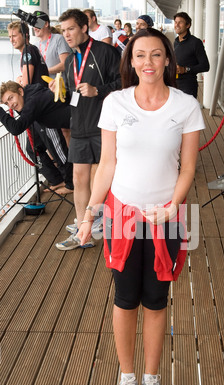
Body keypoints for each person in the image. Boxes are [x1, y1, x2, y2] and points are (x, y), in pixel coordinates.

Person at [78, 28, 205, 385]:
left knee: (156, 299)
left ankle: (151, 380)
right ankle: (127, 379)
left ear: (168, 60)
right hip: (121, 214)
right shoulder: (116, 103)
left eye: (155, 55)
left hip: (165, 216)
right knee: (125, 297)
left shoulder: (185, 106)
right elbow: (107, 166)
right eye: (139, 56)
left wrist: (173, 205)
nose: (147, 62)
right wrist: (89, 214)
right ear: (130, 62)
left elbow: (188, 168)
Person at [54, 8, 121, 250]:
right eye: (63, 31)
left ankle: (108, 227)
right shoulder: (71, 60)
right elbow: (74, 93)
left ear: (84, 27)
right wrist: (59, 89)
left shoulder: (106, 52)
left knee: (104, 179)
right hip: (79, 126)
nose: (67, 35)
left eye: (71, 29)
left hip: (104, 126)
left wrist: (98, 90)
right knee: (78, 178)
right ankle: (83, 230)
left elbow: (124, 82)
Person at [8, 21, 72, 193]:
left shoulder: (28, 51)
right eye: (9, 37)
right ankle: (58, 178)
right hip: (38, 107)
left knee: (54, 145)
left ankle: (69, 181)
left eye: (15, 35)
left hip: (40, 109)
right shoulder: (32, 50)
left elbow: (26, 82)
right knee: (34, 147)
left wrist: (18, 84)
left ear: (24, 35)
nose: (11, 39)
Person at [0, 81, 73, 193]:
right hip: (51, 121)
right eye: (6, 103)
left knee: (58, 151)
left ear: (20, 91)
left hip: (80, 121)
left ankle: (71, 184)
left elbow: (16, 128)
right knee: (34, 148)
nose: (10, 104)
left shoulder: (33, 101)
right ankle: (58, 180)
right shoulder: (29, 95)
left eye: (11, 98)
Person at [173, 12, 210, 98]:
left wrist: (186, 69)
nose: (177, 25)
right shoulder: (176, 42)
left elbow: (205, 66)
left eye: (180, 22)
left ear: (188, 25)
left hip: (188, 86)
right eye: (175, 22)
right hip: (175, 84)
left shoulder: (196, 42)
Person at [33, 11, 71, 78]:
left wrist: (45, 71)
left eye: (37, 24)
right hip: (42, 86)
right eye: (33, 25)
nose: (35, 28)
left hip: (58, 86)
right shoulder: (35, 46)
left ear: (46, 24)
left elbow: (65, 64)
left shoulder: (58, 39)